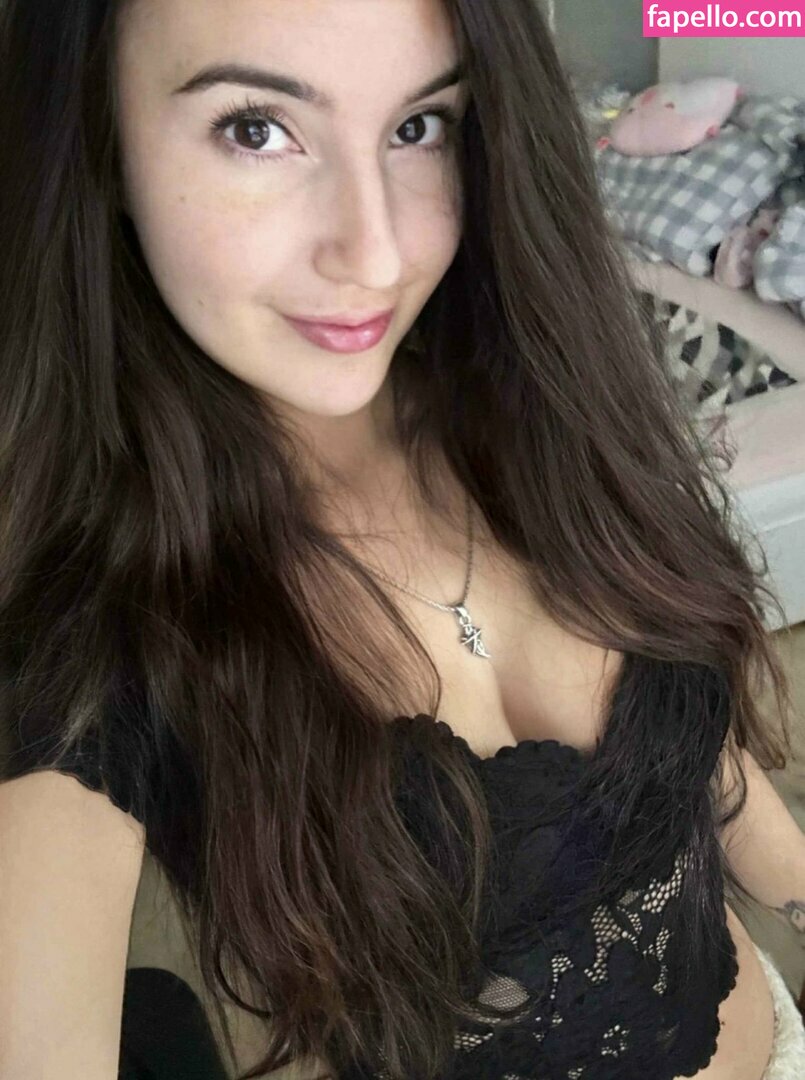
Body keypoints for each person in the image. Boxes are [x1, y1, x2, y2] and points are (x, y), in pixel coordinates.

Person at [1, 1, 804, 1078]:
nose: (378, 254)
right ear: (98, 144)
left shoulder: (541, 401)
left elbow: (700, 761)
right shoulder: (84, 641)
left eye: (418, 127)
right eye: (256, 128)